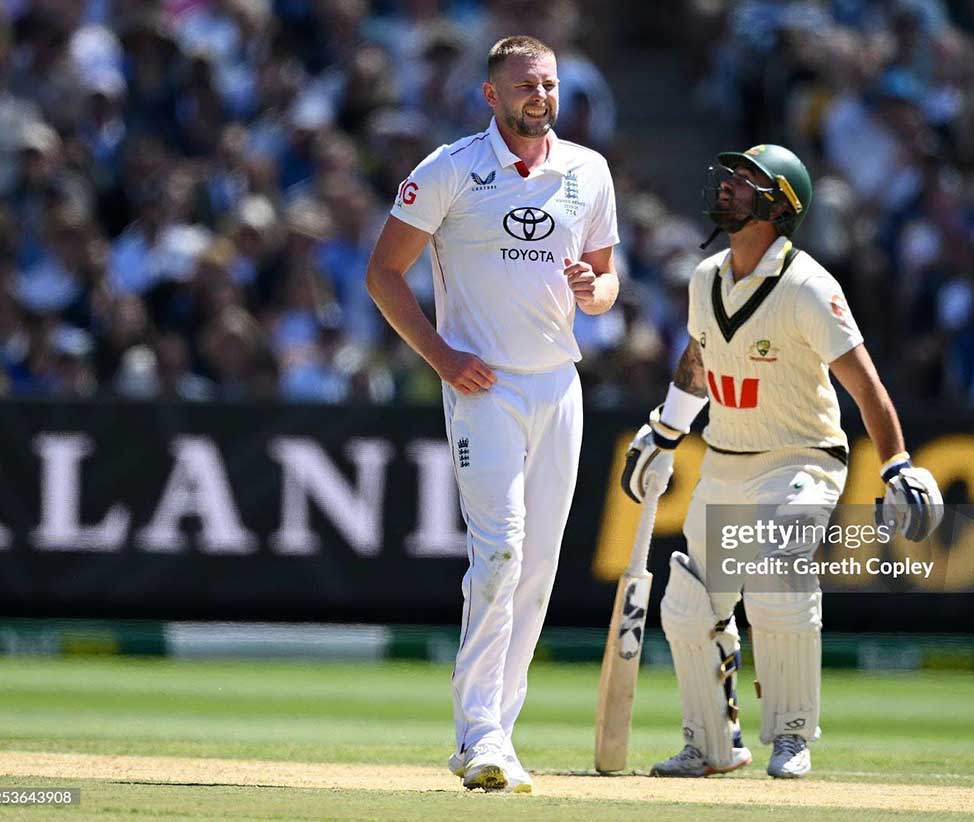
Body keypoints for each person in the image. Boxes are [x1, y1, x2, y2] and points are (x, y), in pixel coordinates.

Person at [621, 144, 941, 779]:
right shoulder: (705, 276)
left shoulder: (809, 287)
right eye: (731, 177)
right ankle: (712, 745)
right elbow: (699, 357)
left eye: (747, 182)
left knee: (775, 574)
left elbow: (866, 386)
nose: (729, 186)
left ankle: (792, 735)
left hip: (803, 458)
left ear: (778, 204)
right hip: (726, 459)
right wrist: (665, 431)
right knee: (688, 604)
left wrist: (898, 463)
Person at [365, 35, 619, 792]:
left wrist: (589, 290)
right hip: (484, 387)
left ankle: (500, 734)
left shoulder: (587, 171)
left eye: (547, 84)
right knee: (500, 554)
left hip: (557, 385)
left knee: (536, 568)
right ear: (491, 95)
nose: (538, 96)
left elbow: (608, 285)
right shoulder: (449, 169)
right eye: (524, 86)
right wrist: (441, 357)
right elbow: (384, 272)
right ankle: (478, 733)